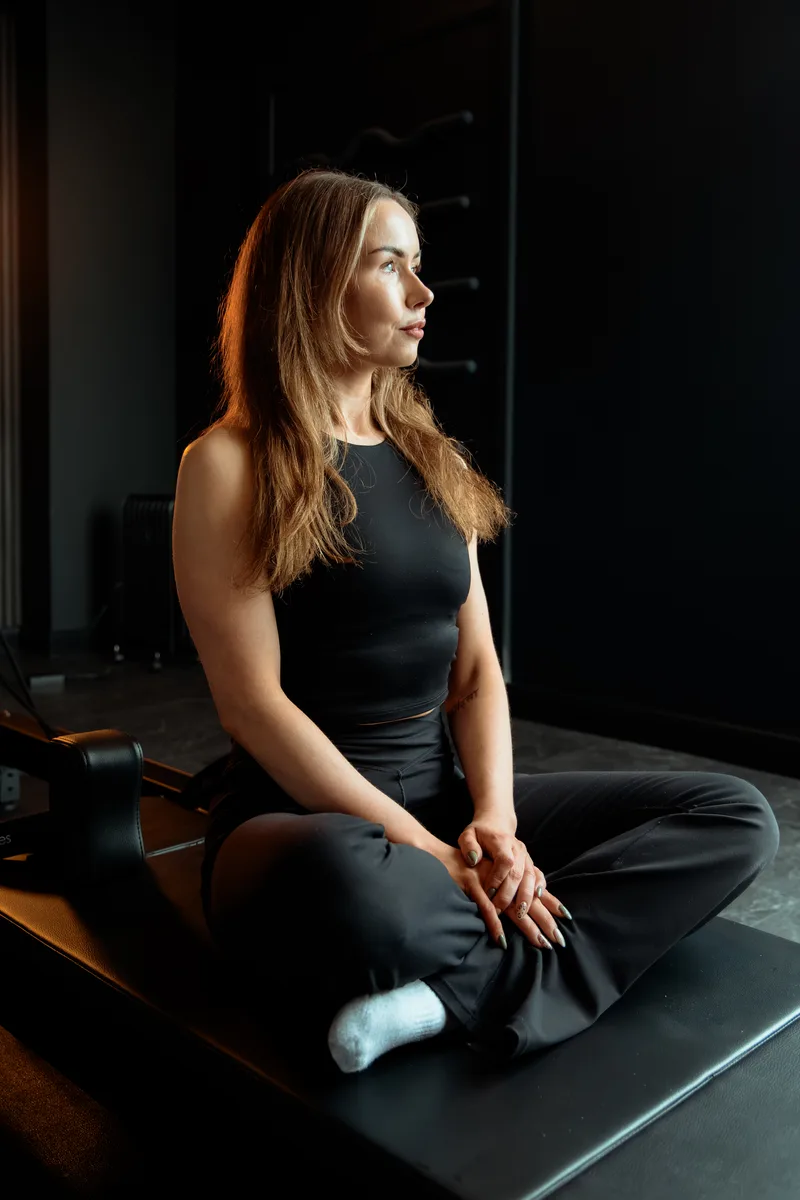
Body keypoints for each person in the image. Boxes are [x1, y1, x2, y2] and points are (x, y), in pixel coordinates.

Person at [172, 167, 780, 1074]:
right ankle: (536, 948)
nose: (423, 294)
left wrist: (495, 823)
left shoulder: (433, 458)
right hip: (304, 825)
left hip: (444, 798)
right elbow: (252, 706)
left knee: (735, 817)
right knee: (357, 892)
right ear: (312, 285)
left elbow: (477, 674)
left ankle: (440, 998)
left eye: (418, 266)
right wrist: (422, 850)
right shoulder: (226, 462)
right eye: (391, 266)